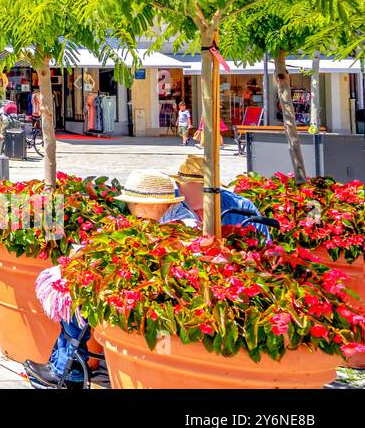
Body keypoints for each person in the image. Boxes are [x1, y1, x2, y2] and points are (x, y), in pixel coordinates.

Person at [26, 162, 268, 389]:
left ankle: (69, 370)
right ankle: (65, 365)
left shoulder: (178, 224)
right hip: (150, 288)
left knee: (72, 289)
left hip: (163, 297)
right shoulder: (165, 218)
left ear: (152, 204)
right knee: (68, 284)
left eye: (134, 203)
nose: (131, 209)